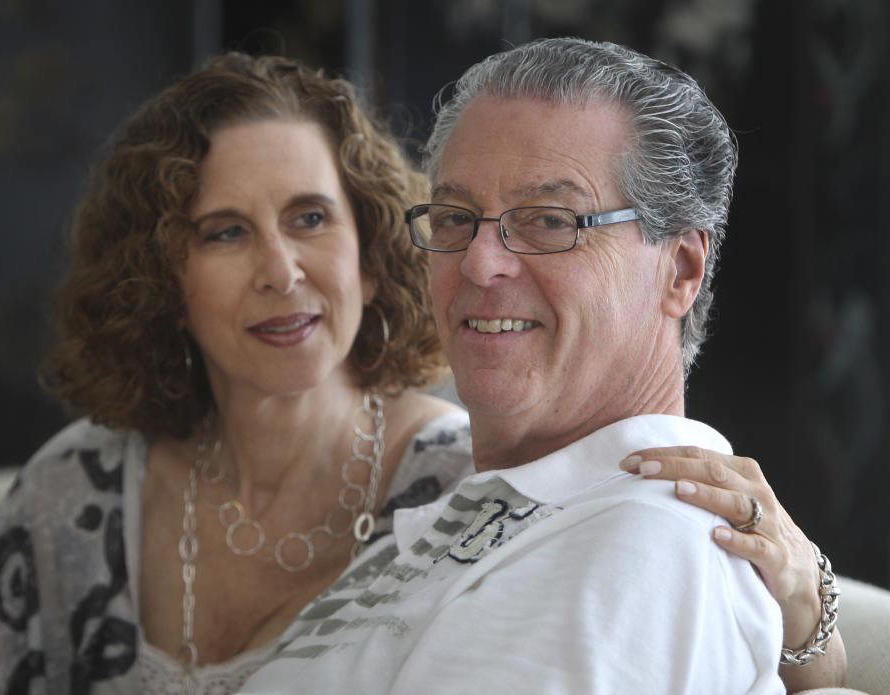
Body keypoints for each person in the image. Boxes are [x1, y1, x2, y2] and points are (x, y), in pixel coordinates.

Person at [0, 50, 840, 695]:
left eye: (550, 220)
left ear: (369, 247)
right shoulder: (483, 501)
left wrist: (809, 614)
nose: (280, 270)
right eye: (224, 231)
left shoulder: (620, 531)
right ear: (161, 275)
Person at [235, 38, 844, 694]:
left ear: (681, 270)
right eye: (455, 216)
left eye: (551, 221)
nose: (478, 261)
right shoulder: (474, 506)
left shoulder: (643, 543)